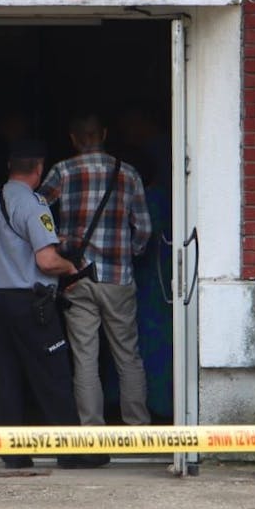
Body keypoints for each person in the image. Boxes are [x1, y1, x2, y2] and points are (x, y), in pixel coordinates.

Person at [0, 138, 108, 469]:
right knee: (54, 377)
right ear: (38, 170)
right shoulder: (35, 205)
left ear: (10, 167)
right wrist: (74, 269)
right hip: (31, 304)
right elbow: (47, 261)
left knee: (7, 377)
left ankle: (13, 453)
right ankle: (71, 453)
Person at [38, 114, 153, 429]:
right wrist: (130, 254)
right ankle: (138, 428)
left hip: (77, 277)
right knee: (128, 356)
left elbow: (34, 211)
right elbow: (143, 228)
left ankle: (91, 432)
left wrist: (55, 241)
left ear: (73, 139)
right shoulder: (128, 174)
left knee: (85, 359)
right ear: (103, 133)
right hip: (118, 278)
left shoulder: (62, 171)